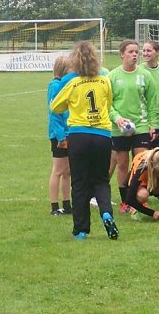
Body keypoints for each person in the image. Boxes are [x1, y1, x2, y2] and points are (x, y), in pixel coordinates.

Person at [50, 41, 119, 241]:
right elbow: (108, 103)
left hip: (79, 135)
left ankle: (81, 230)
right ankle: (106, 212)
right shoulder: (104, 80)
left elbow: (55, 107)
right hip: (102, 136)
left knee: (79, 182)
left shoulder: (72, 82)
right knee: (101, 180)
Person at [108, 40, 159, 213]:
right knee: (122, 164)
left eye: (136, 52)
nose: (135, 55)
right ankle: (126, 202)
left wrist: (153, 124)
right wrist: (117, 118)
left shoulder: (144, 75)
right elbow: (107, 104)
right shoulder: (112, 76)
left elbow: (153, 102)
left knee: (142, 163)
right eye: (130, 52)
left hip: (141, 126)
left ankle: (140, 199)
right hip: (119, 127)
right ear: (122, 54)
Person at [47, 56, 72, 216]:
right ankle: (54, 206)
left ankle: (67, 204)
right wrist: (61, 136)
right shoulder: (55, 86)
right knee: (58, 170)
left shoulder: (65, 85)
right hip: (59, 134)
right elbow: (54, 114)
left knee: (68, 171)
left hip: (69, 133)